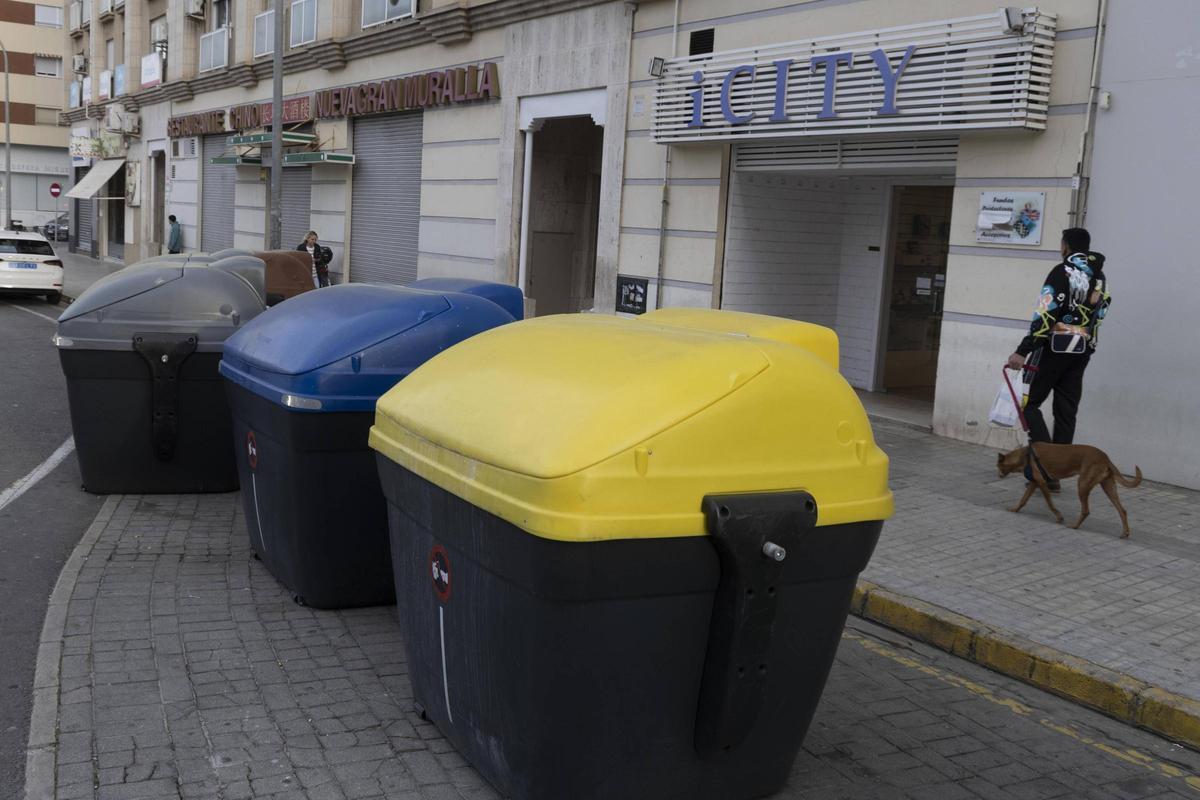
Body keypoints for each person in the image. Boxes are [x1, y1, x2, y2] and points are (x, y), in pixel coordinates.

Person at [1006, 227, 1112, 468]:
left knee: (1028, 403)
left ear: (1066, 246)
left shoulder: (1061, 272)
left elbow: (1046, 312)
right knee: (1066, 412)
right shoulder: (1100, 277)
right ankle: (1058, 470)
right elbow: (1101, 312)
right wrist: (1089, 345)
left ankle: (1045, 463)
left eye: (1061, 244)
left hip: (1053, 348)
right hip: (1081, 350)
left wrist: (1024, 349)